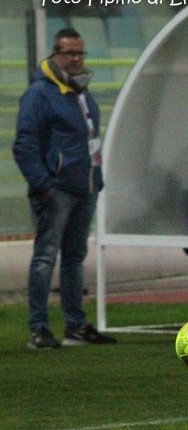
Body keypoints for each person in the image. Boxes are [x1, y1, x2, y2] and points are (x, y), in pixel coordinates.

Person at [12, 28, 116, 349]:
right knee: (46, 257)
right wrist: (44, 186)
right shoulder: (40, 93)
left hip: (84, 187)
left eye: (80, 53)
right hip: (57, 189)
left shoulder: (81, 90)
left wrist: (95, 181)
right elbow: (24, 145)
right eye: (70, 54)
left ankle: (74, 325)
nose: (76, 59)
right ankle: (39, 329)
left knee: (74, 258)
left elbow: (88, 141)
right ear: (55, 56)